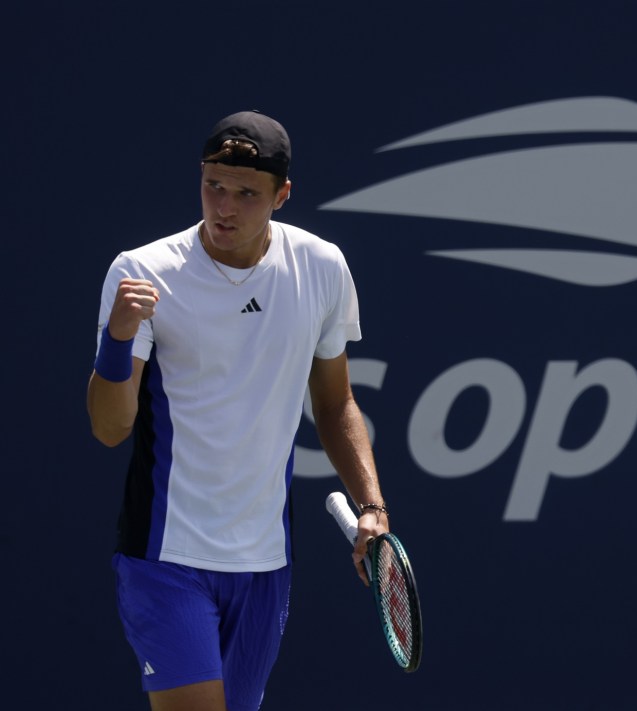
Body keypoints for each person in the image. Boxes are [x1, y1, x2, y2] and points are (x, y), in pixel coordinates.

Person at [87, 110, 388, 711]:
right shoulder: (142, 273)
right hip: (165, 558)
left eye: (246, 194)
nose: (223, 207)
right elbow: (110, 427)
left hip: (263, 564)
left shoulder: (321, 268)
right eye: (213, 186)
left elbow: (334, 404)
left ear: (282, 195)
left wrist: (372, 506)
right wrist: (118, 339)